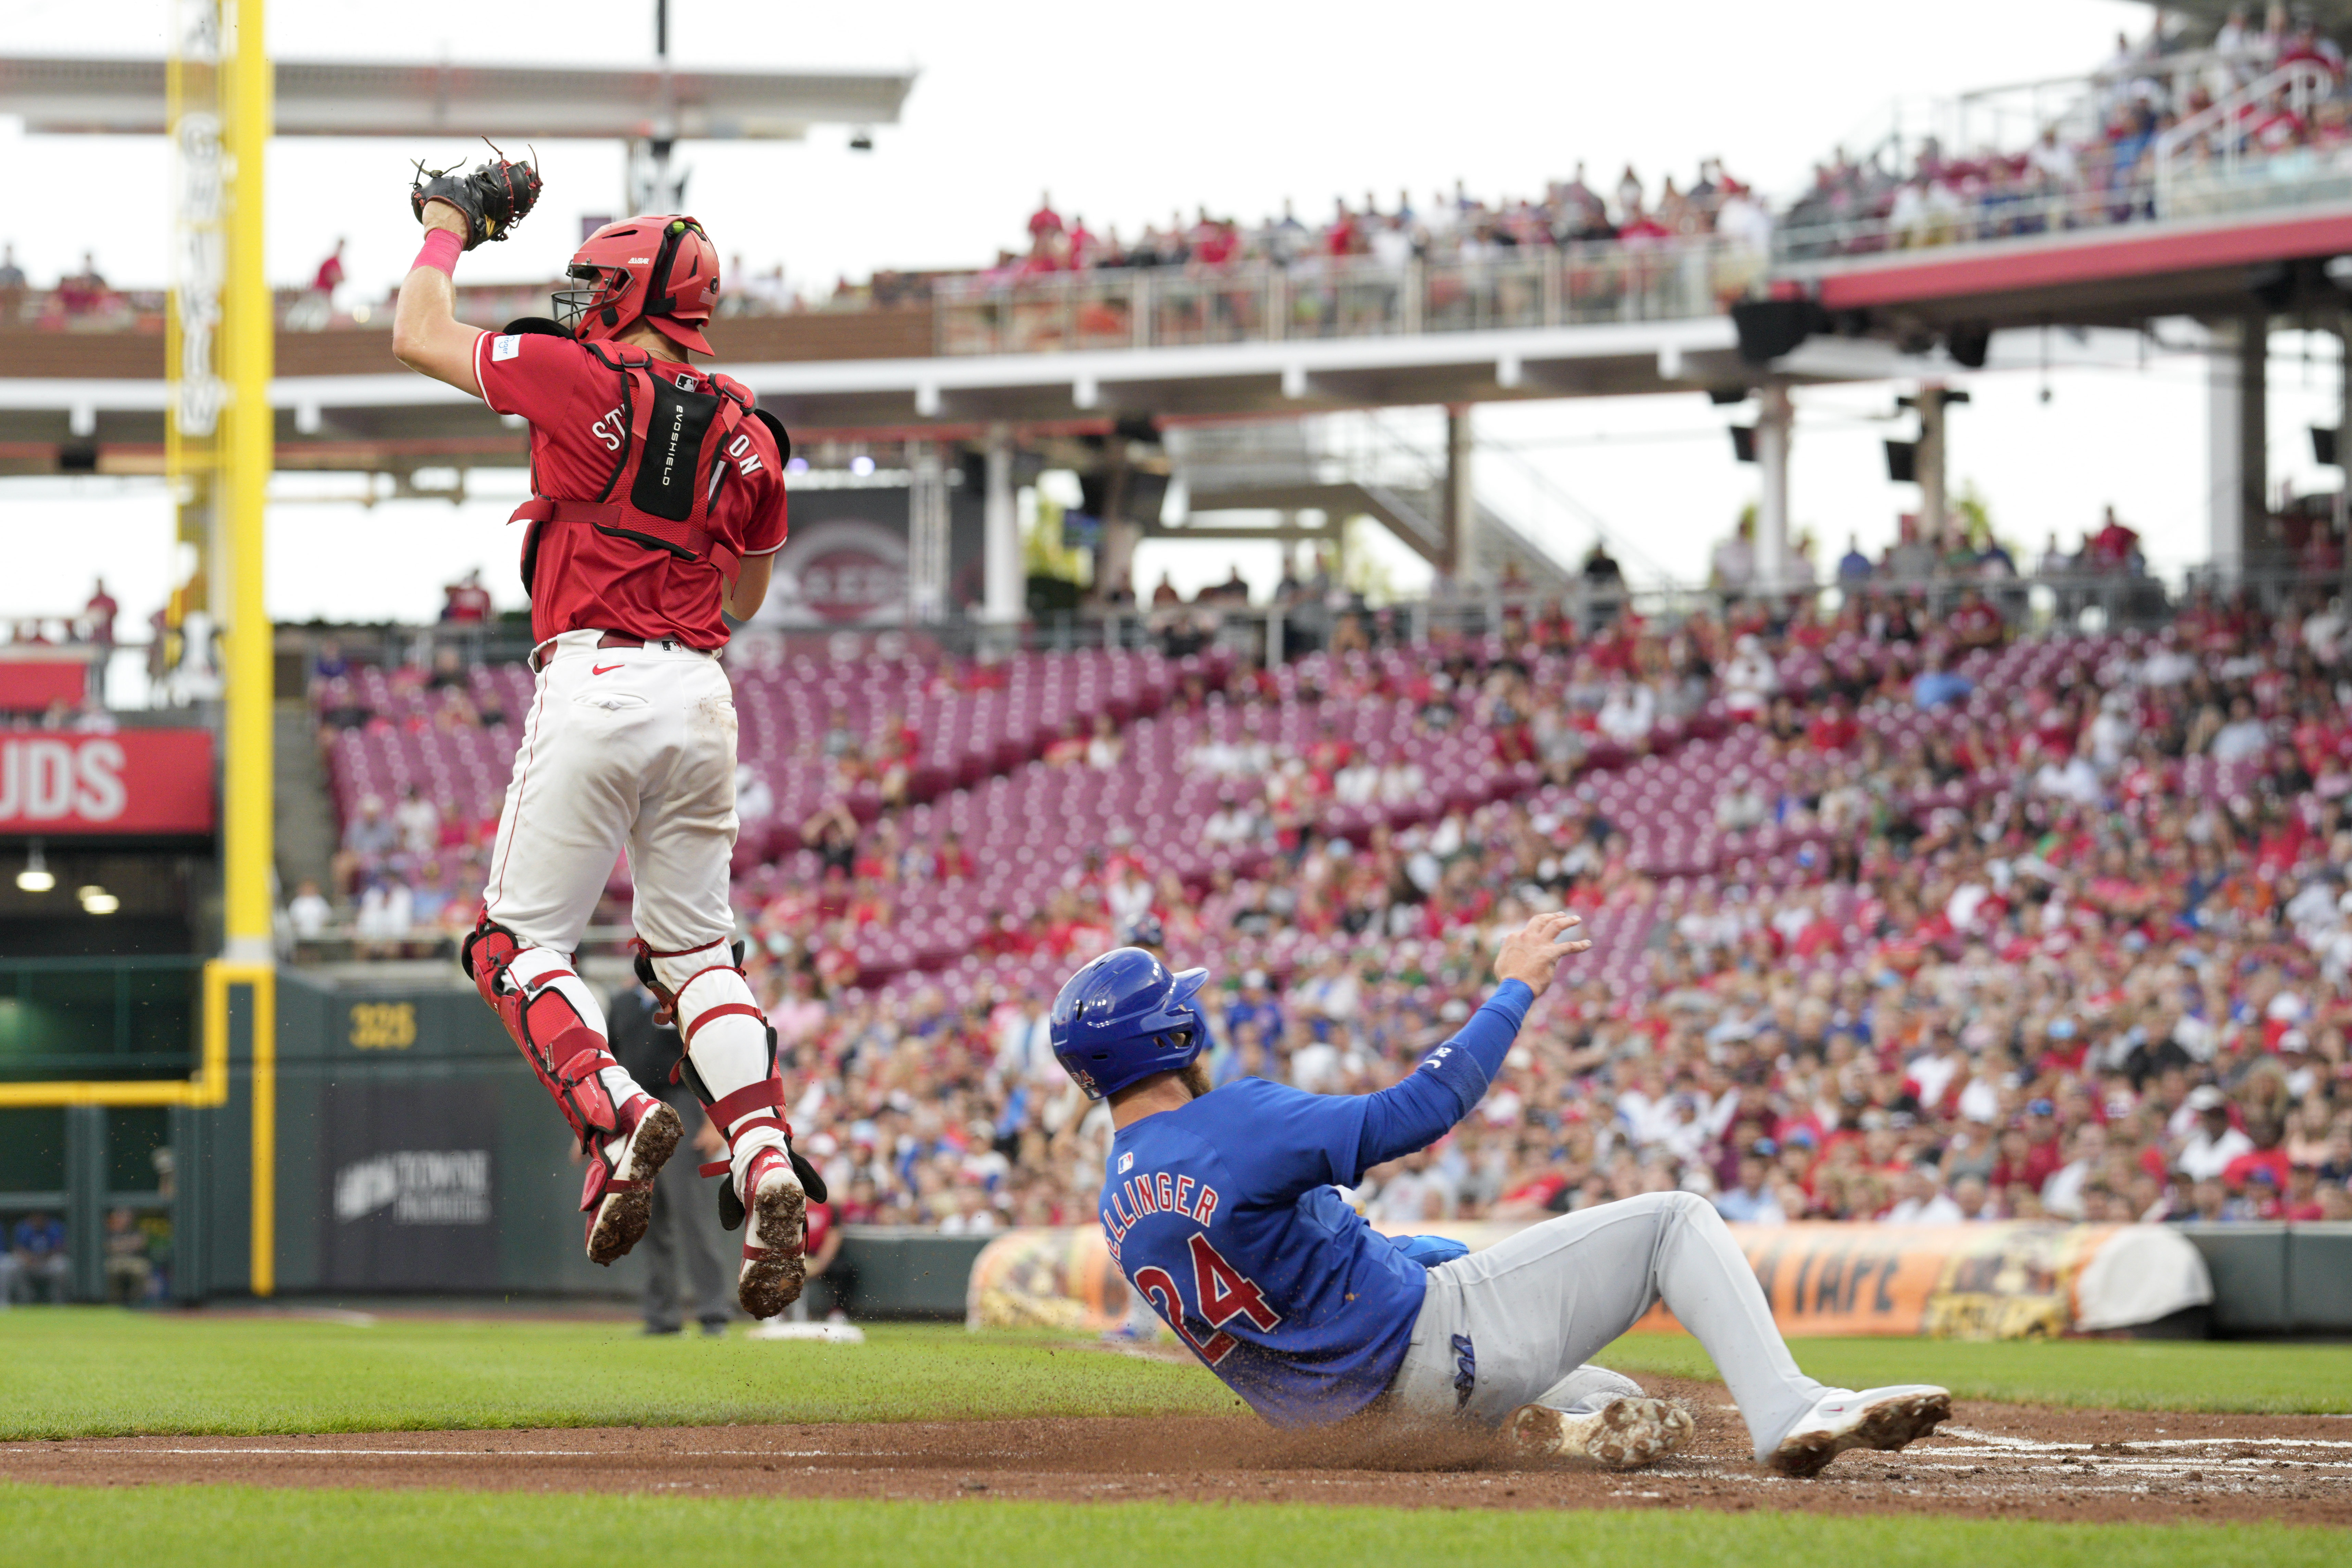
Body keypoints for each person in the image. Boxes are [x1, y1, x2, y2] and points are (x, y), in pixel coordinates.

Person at [1048, 913, 1951, 1476]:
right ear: (1174, 1031)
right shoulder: (1231, 1119)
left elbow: (1284, 1282)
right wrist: (1513, 986)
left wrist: (1411, 1259)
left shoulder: (1116, 1205)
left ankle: (1548, 1428)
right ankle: (1790, 1409)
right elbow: (1420, 1108)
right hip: (1431, 1347)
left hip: (1368, 1430)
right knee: (1676, 1219)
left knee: (1629, 1404)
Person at [393, 165, 817, 1315]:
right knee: (695, 960)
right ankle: (770, 1159)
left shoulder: (573, 369)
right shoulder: (749, 428)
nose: (580, 299)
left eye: (594, 283)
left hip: (596, 677)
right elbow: (749, 598)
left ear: (631, 292)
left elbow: (415, 332)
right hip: (703, 695)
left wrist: (445, 226)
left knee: (512, 943)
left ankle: (620, 1114)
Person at [608, 982, 732, 1336]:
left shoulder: (682, 1002)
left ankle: (713, 1314)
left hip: (681, 1105)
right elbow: (609, 1063)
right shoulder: (621, 1004)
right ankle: (663, 1316)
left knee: (692, 1214)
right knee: (648, 1216)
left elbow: (707, 1062)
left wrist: (712, 1120)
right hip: (635, 1109)